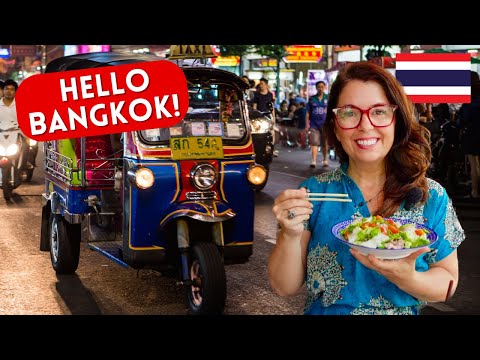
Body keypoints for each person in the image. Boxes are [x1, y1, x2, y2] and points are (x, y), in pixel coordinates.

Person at [268, 61, 465, 315]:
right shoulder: (312, 194)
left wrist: (407, 277)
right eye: (349, 112)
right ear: (336, 127)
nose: (365, 124)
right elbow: (283, 286)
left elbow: (448, 284)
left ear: (397, 120)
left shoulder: (430, 195)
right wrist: (289, 234)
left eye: (379, 111)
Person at [457, 73, 480, 198]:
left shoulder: (470, 100)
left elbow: (462, 120)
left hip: (473, 134)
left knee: (474, 164)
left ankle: (475, 192)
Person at [306, 80, 329, 168]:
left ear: (324, 88)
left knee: (324, 143)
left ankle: (325, 159)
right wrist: (307, 124)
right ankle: (314, 160)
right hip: (314, 124)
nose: (320, 88)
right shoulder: (312, 99)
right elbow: (308, 112)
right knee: (314, 142)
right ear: (316, 88)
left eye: (322, 87)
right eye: (319, 87)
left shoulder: (328, 98)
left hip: (325, 125)